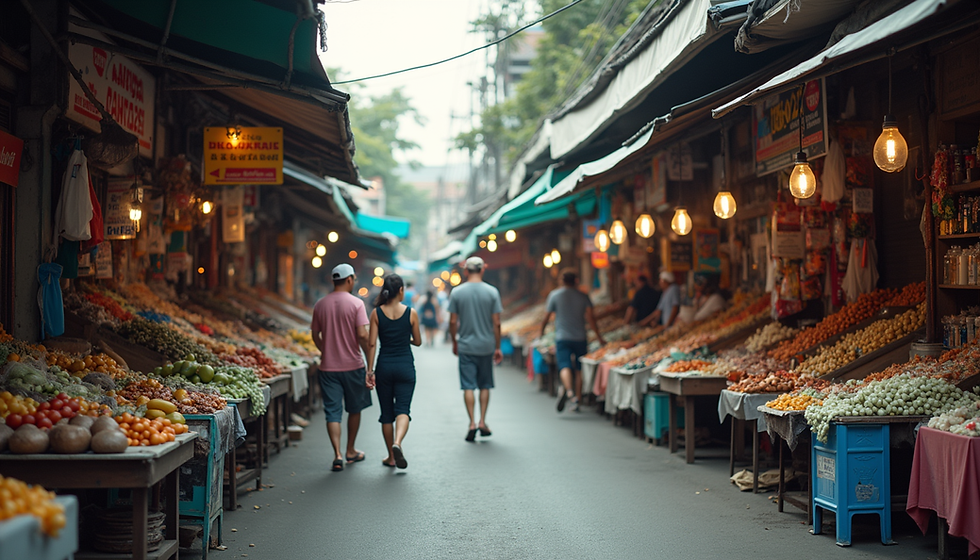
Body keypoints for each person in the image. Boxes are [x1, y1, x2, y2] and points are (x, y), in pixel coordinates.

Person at [310, 263, 373, 472]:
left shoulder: (320, 304)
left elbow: (315, 335)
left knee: (332, 412)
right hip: (353, 366)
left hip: (328, 368)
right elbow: (363, 335)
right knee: (354, 409)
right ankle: (350, 450)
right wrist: (368, 357)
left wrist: (325, 350)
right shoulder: (356, 304)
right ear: (349, 280)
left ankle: (337, 454)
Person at [365, 274, 421, 470]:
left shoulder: (376, 313)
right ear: (401, 291)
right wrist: (406, 339)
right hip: (405, 366)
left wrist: (369, 370)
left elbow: (372, 343)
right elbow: (418, 341)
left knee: (386, 414)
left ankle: (390, 456)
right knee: (403, 410)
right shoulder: (411, 313)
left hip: (384, 366)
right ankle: (398, 442)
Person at [448, 257, 503, 442]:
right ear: (482, 270)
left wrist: (455, 342)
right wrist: (497, 347)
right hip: (486, 346)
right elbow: (497, 322)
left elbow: (453, 321)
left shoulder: (457, 292)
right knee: (485, 384)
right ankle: (482, 421)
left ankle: (471, 422)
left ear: (465, 271)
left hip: (466, 345)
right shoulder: (492, 292)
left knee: (468, 385)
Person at [541, 269, 606, 413]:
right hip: (580, 337)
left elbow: (546, 317)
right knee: (578, 369)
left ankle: (569, 392)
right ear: (576, 281)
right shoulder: (583, 296)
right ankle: (577, 399)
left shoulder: (555, 295)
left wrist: (541, 332)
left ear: (562, 281)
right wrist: (599, 336)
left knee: (564, 365)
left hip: (562, 337)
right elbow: (591, 318)